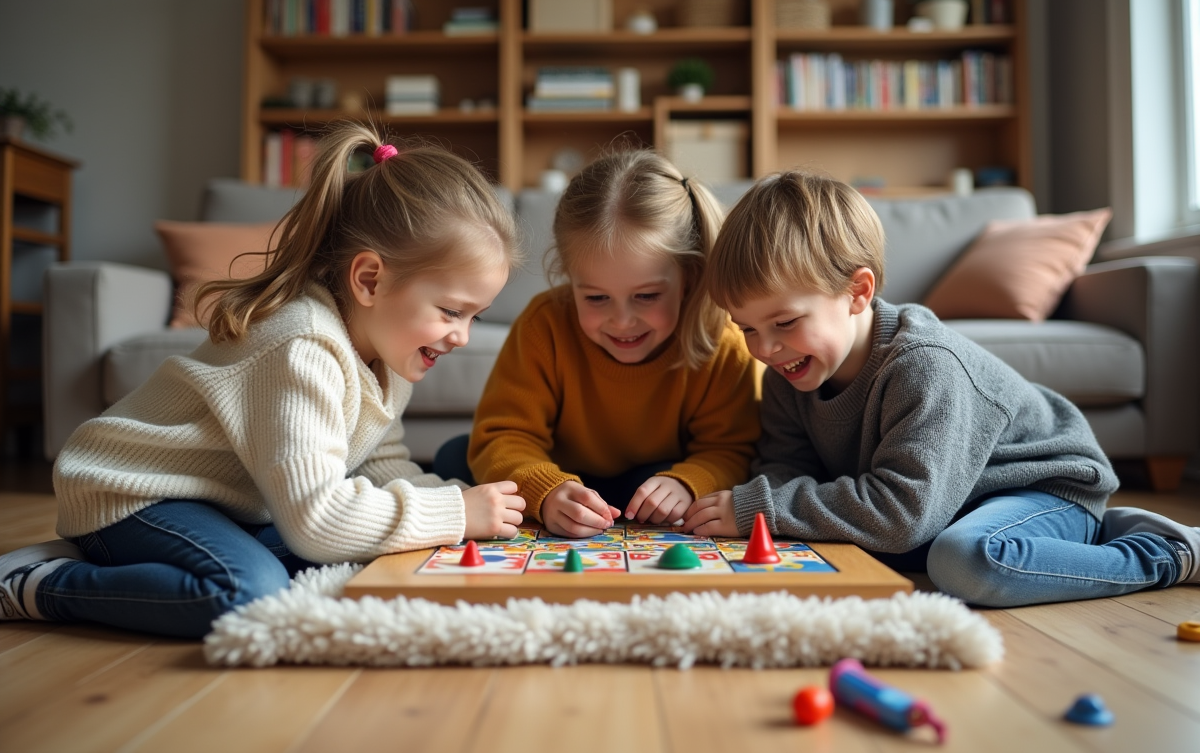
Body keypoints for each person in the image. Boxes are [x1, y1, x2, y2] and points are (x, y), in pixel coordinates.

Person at [0, 122, 526, 636]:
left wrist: (464, 502)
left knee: (345, 546)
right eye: (451, 310)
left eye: (474, 317)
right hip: (131, 493)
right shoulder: (302, 346)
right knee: (250, 589)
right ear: (369, 280)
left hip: (218, 502)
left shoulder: (389, 354)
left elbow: (380, 460)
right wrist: (454, 513)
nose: (460, 335)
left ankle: (118, 561)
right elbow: (317, 520)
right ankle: (45, 581)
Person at [681, 170, 1200, 607]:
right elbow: (786, 467)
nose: (764, 348)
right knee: (882, 548)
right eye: (746, 328)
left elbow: (900, 517)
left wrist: (761, 509)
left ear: (857, 293)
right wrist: (763, 500)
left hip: (1038, 488)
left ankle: (1162, 553)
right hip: (942, 505)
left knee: (964, 562)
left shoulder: (925, 365)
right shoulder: (787, 372)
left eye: (785, 322)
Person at [445, 149, 760, 538]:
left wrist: (687, 482)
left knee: (661, 486)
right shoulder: (545, 323)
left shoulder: (721, 340)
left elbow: (733, 449)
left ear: (689, 279)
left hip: (652, 483)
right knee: (456, 456)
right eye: (596, 298)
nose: (622, 321)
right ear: (569, 279)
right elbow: (505, 434)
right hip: (563, 476)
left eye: (646, 296)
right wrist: (547, 491)